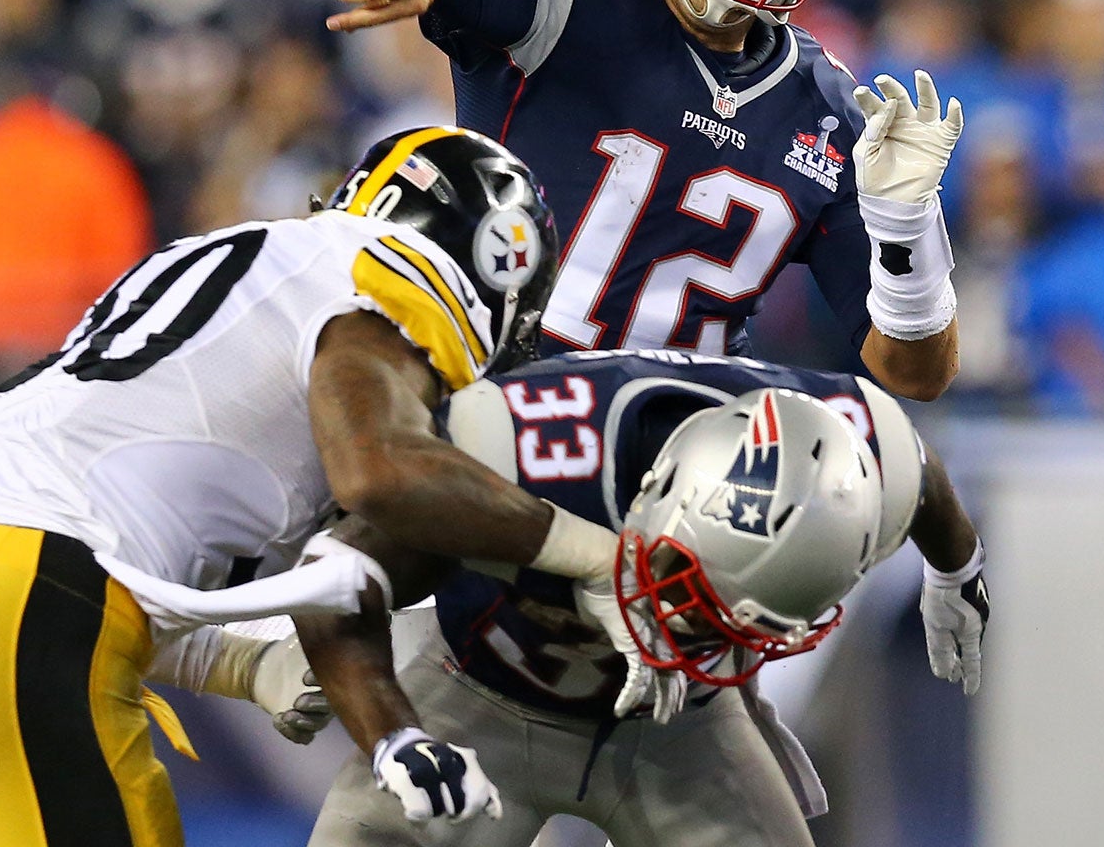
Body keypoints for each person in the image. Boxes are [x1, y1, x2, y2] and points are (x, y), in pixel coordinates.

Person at [0, 128, 640, 845]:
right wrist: (596, 555)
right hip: (11, 628)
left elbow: (118, 551)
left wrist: (320, 701)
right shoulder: (393, 280)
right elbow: (380, 471)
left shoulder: (247, 262)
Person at [328, 0, 965, 402]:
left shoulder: (829, 115)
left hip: (670, 450)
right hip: (488, 392)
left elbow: (915, 375)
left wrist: (907, 225)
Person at [286, 349, 989, 846]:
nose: (699, 641)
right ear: (655, 494)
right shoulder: (520, 450)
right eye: (691, 602)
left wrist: (957, 567)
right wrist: (393, 736)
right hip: (481, 697)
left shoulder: (860, 452)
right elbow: (335, 582)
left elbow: (917, 467)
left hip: (682, 721)